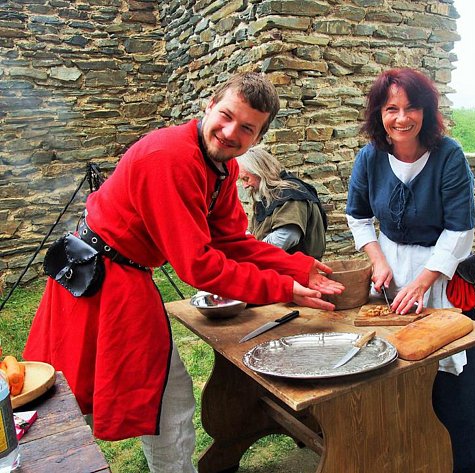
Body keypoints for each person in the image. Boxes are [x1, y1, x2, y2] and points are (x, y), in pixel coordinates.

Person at [23, 72, 343, 473]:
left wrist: (299, 266)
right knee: (78, 400)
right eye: (226, 116)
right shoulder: (169, 157)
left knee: (148, 395)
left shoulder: (221, 169)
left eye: (246, 128)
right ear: (209, 105)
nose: (230, 132)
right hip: (102, 282)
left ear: (257, 138)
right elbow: (198, 265)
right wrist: (286, 289)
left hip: (121, 280)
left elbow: (230, 240)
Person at [345, 68, 475, 472]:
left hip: (445, 272)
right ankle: (407, 452)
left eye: (411, 107)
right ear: (378, 114)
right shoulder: (369, 157)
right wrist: (379, 261)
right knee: (397, 364)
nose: (401, 118)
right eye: (391, 109)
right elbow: (358, 216)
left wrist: (424, 281)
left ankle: (464, 459)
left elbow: (460, 228)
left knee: (461, 378)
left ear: (426, 110)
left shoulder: (448, 155)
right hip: (392, 275)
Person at [237, 146, 327, 259]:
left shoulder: (290, 194)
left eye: (246, 179)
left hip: (295, 272)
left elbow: (286, 236)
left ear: (260, 173)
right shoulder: (271, 194)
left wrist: (255, 253)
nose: (245, 186)